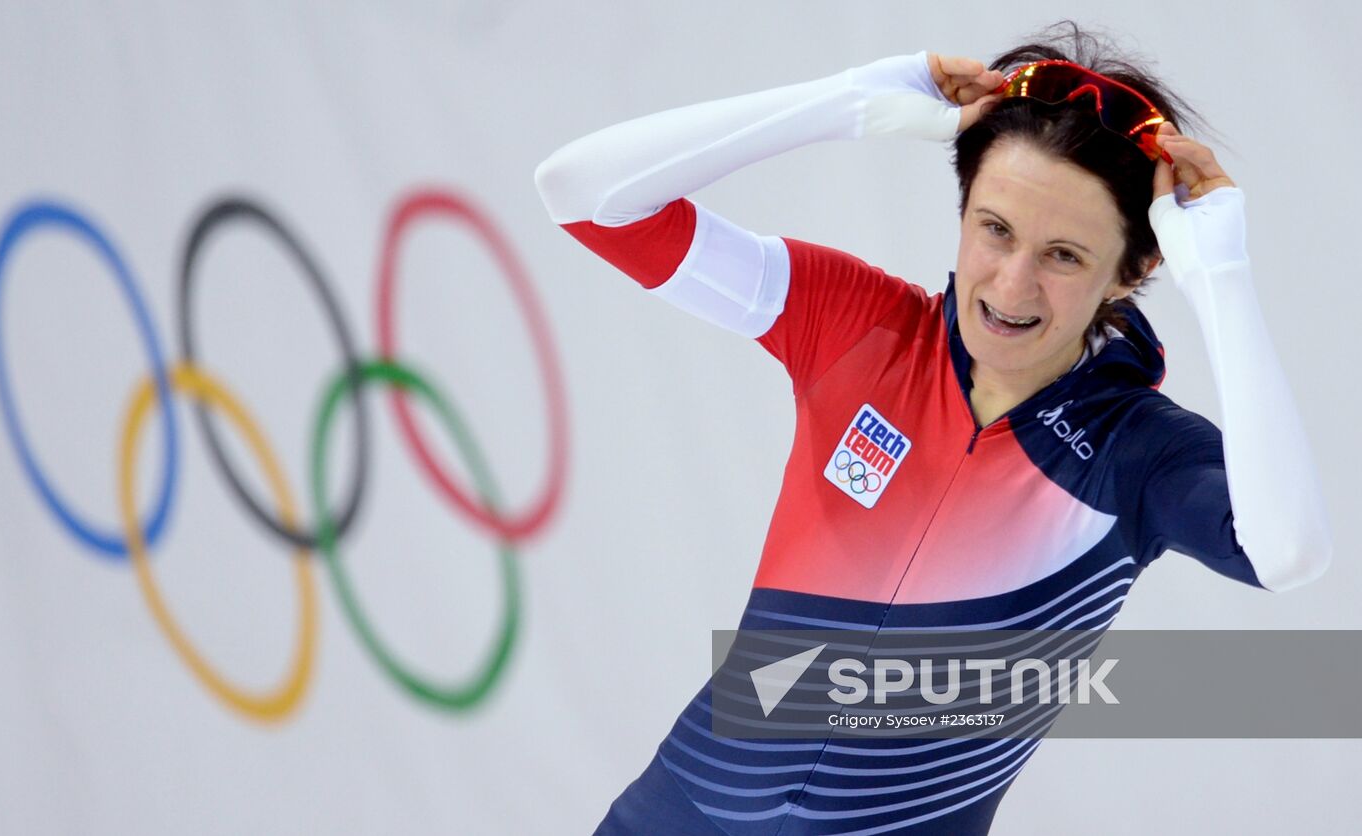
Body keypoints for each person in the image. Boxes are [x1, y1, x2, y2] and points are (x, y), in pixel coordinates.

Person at [534, 20, 1332, 836]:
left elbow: (1289, 553)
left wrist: (1221, 276)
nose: (1012, 285)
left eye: (1064, 255)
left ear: (1133, 269)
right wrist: (841, 101)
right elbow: (583, 194)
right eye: (995, 229)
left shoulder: (1139, 453)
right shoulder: (855, 325)